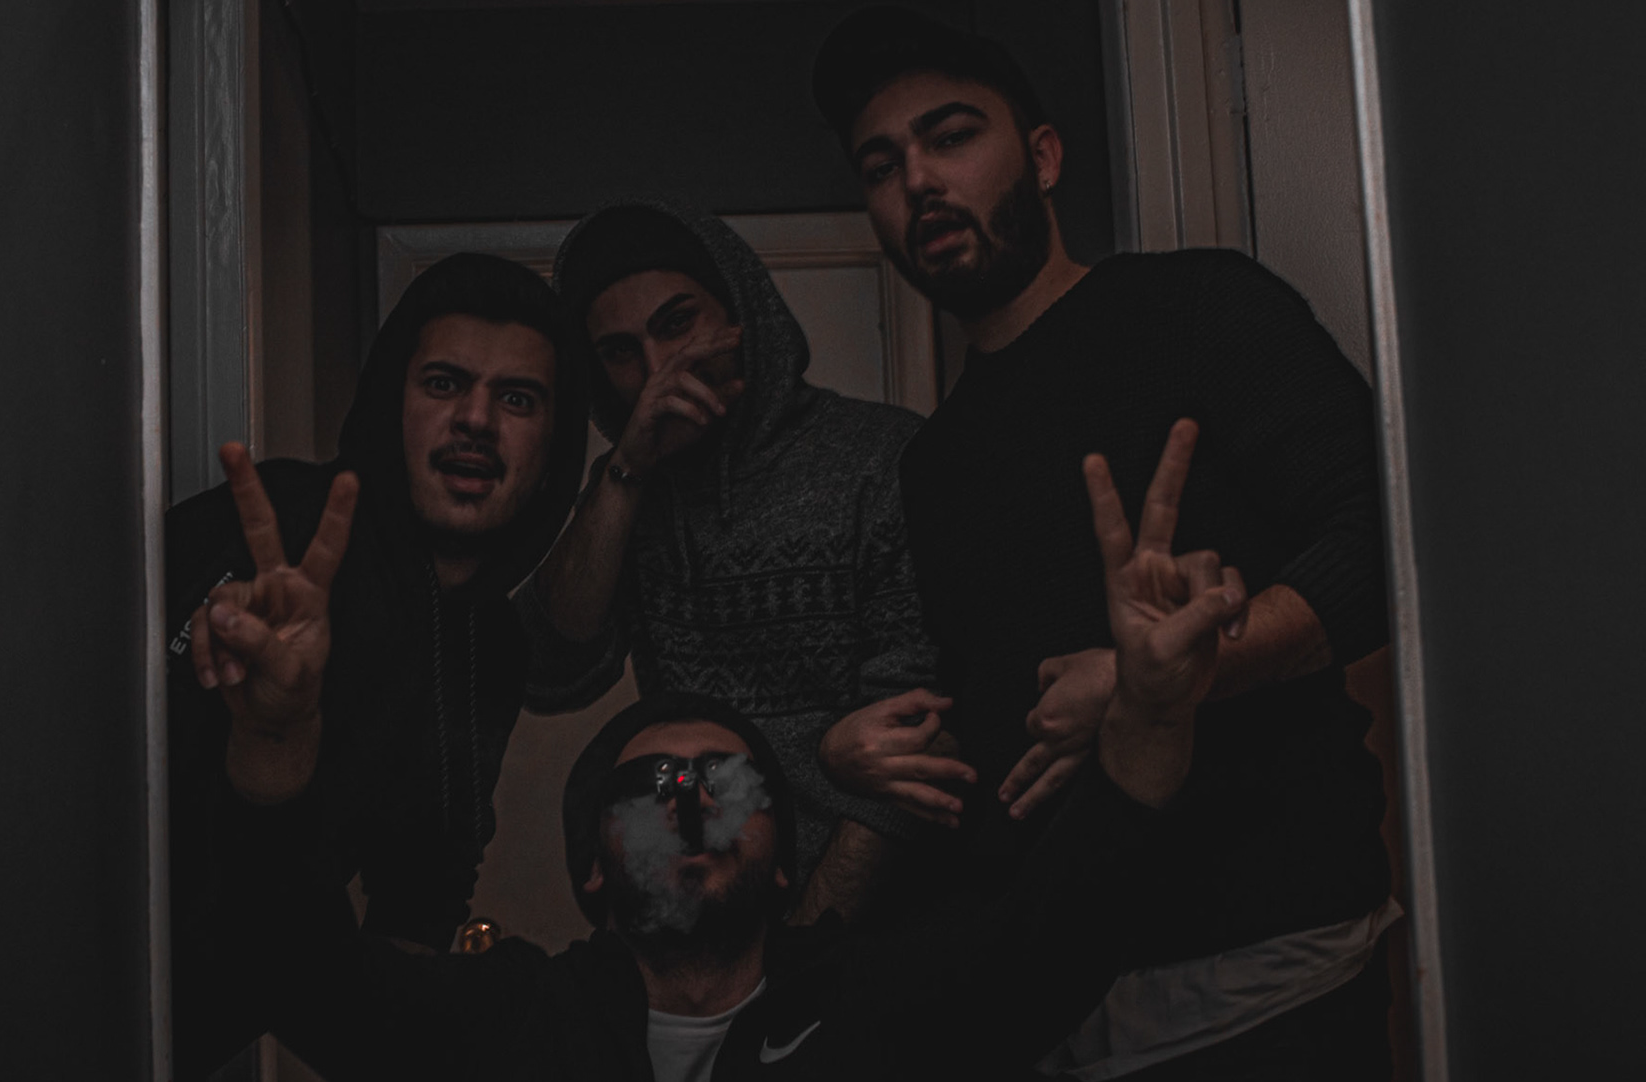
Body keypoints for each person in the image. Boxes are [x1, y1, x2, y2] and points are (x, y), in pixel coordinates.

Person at [190, 421, 1250, 1081]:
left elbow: (1074, 921)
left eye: (729, 783)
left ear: (786, 860)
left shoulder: (884, 1005)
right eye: (653, 785)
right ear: (593, 868)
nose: (691, 800)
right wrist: (276, 732)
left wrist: (1154, 708)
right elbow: (296, 970)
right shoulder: (509, 1025)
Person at [811, 8, 1398, 1078]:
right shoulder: (932, 464)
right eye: (882, 166)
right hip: (1055, 994)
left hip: (1264, 969)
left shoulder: (1200, 307)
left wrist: (1166, 681)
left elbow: (1380, 551)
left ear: (1042, 158)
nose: (919, 181)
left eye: (951, 136)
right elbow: (1013, 704)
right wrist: (870, 757)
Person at [164, 253, 592, 1076]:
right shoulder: (282, 529)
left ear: (553, 447)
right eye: (443, 383)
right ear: (393, 402)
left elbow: (422, 886)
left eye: (517, 398)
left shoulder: (492, 646)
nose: (476, 419)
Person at [514, 201, 974, 926]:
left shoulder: (882, 458)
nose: (657, 371)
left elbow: (919, 730)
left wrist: (804, 947)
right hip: (703, 922)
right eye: (621, 352)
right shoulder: (629, 493)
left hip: (880, 922)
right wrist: (626, 470)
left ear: (741, 314)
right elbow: (549, 666)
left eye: (677, 324)